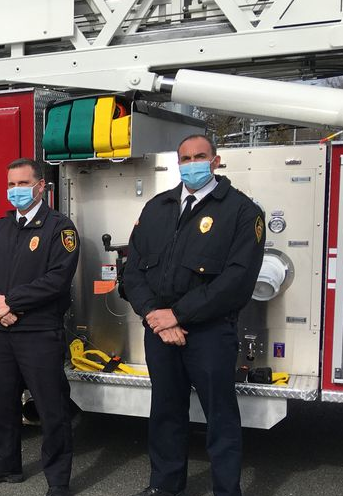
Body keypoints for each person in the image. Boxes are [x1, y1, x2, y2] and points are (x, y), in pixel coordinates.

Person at [123, 134, 265, 496]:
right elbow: (133, 270)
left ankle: (225, 490)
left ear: (215, 161)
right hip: (159, 331)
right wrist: (155, 313)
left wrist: (178, 315)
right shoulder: (157, 207)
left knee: (221, 418)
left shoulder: (243, 212)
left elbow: (236, 282)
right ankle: (165, 485)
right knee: (166, 413)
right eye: (185, 158)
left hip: (210, 334)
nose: (192, 164)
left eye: (200, 156)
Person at [0, 158, 79, 496]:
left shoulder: (59, 229)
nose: (15, 191)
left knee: (51, 408)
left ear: (41, 187)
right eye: (11, 184)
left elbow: (57, 280)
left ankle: (58, 479)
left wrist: (11, 303)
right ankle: (5, 465)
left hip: (39, 333)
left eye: (22, 183)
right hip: (2, 330)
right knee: (2, 400)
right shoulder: (1, 226)